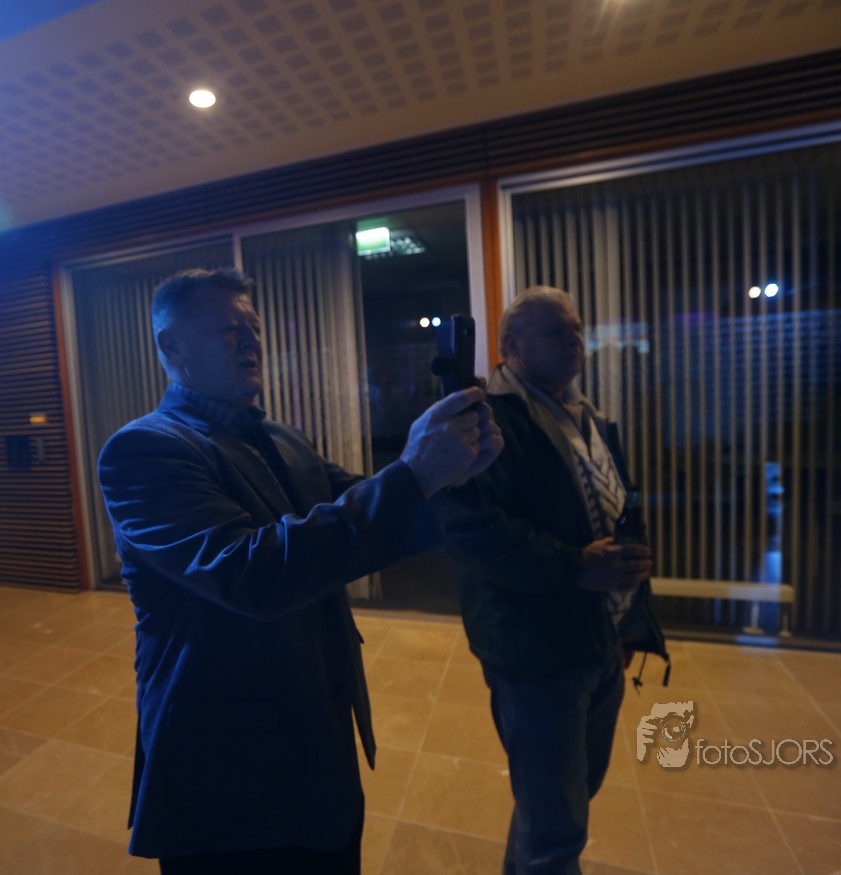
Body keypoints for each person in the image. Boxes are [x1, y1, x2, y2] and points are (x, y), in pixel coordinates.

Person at [96, 267, 503, 874]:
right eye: (229, 329)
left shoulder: (281, 436)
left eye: (254, 328)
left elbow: (363, 514)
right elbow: (248, 573)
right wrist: (415, 474)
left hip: (316, 734)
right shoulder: (145, 449)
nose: (251, 341)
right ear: (172, 346)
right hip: (222, 759)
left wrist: (453, 473)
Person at [441, 286, 669, 875]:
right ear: (512, 347)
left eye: (577, 329)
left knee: (562, 803)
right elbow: (470, 532)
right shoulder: (486, 422)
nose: (574, 341)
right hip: (536, 653)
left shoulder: (587, 415)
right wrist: (575, 566)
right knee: (556, 828)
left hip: (597, 638)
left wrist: (625, 614)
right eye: (555, 332)